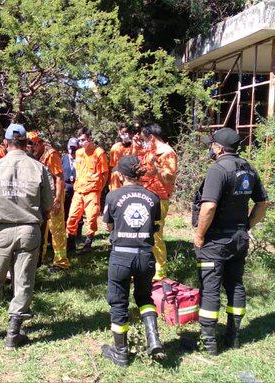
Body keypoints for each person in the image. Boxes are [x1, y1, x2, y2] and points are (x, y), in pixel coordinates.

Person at [0, 123, 53, 350]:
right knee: (23, 280)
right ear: (26, 142)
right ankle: (13, 334)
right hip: (29, 230)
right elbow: (48, 203)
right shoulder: (39, 168)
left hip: (1, 231)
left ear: (5, 143)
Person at [193, 128, 268, 355]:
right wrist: (246, 225)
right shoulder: (248, 168)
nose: (210, 148)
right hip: (238, 239)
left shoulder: (218, 169)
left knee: (210, 288)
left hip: (216, 240)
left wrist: (199, 235)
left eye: (212, 145)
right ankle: (233, 337)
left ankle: (209, 343)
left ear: (219, 148)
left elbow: (209, 206)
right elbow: (263, 204)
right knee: (235, 284)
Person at [99, 156, 165, 366]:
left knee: (118, 303)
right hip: (145, 256)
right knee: (145, 297)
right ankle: (153, 339)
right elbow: (156, 225)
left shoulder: (112, 196)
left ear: (120, 174)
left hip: (121, 256)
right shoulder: (153, 197)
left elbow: (108, 225)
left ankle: (121, 353)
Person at [139, 123, 178, 281]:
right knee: (142, 232)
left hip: (159, 197)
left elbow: (169, 178)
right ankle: (144, 266)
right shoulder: (150, 151)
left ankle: (160, 269)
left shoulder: (167, 153)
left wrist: (157, 166)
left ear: (152, 138)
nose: (144, 143)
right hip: (145, 194)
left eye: (145, 140)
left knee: (155, 234)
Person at [26, 131, 69, 271]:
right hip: (40, 197)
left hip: (53, 196)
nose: (30, 149)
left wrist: (57, 199)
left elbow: (59, 177)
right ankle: (40, 257)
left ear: (39, 143)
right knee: (41, 228)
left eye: (32, 146)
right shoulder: (31, 155)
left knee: (56, 228)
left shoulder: (51, 155)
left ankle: (61, 262)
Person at [66, 127, 109, 253]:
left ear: (90, 138)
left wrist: (99, 188)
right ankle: (71, 244)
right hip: (79, 190)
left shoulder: (99, 152)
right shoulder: (79, 153)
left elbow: (105, 173)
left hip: (93, 191)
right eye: (80, 140)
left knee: (92, 217)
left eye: (84, 139)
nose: (82, 142)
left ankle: (88, 243)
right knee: (72, 217)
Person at [108, 123, 141, 192]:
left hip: (130, 180)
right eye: (123, 132)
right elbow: (111, 166)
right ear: (119, 132)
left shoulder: (136, 147)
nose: (126, 134)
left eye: (127, 132)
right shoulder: (115, 147)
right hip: (116, 180)